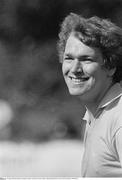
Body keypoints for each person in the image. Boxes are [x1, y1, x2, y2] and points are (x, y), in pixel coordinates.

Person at [57, 12, 122, 177]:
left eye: (86, 59)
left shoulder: (119, 117)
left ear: (111, 66)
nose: (75, 69)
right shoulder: (95, 115)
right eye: (69, 58)